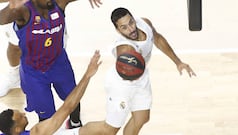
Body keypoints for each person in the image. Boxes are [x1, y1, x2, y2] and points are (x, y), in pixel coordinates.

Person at [76, 7, 197, 135]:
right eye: (124, 27)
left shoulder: (144, 23)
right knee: (109, 130)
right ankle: (75, 132)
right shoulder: (124, 48)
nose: (131, 29)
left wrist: (178, 62)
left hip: (141, 78)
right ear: (118, 30)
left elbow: (157, 38)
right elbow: (127, 68)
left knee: (142, 118)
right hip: (122, 85)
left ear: (134, 19)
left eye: (131, 23)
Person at [0, 0, 103, 129]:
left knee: (73, 96)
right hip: (34, 71)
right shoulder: (23, 11)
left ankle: (75, 123)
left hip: (58, 63)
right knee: (45, 115)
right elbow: (2, 19)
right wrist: (11, 7)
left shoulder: (59, 3)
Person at [0, 50, 102, 135]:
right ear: (17, 129)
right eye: (21, 116)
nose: (24, 113)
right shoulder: (37, 132)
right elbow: (68, 107)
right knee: (96, 130)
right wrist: (87, 75)